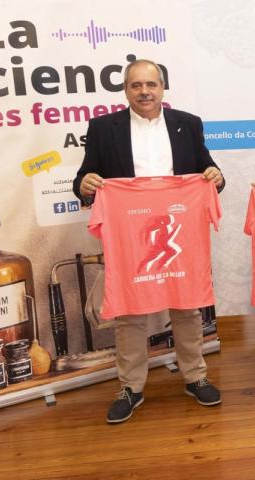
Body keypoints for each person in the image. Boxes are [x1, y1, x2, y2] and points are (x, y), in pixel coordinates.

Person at [74, 59, 225, 424]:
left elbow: (210, 172)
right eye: (136, 85)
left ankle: (195, 376)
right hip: (131, 235)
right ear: (126, 90)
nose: (144, 92)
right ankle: (131, 386)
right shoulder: (102, 128)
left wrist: (215, 177)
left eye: (151, 85)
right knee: (131, 311)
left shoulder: (187, 125)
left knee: (187, 306)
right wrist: (86, 184)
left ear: (162, 88)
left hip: (178, 232)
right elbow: (84, 176)